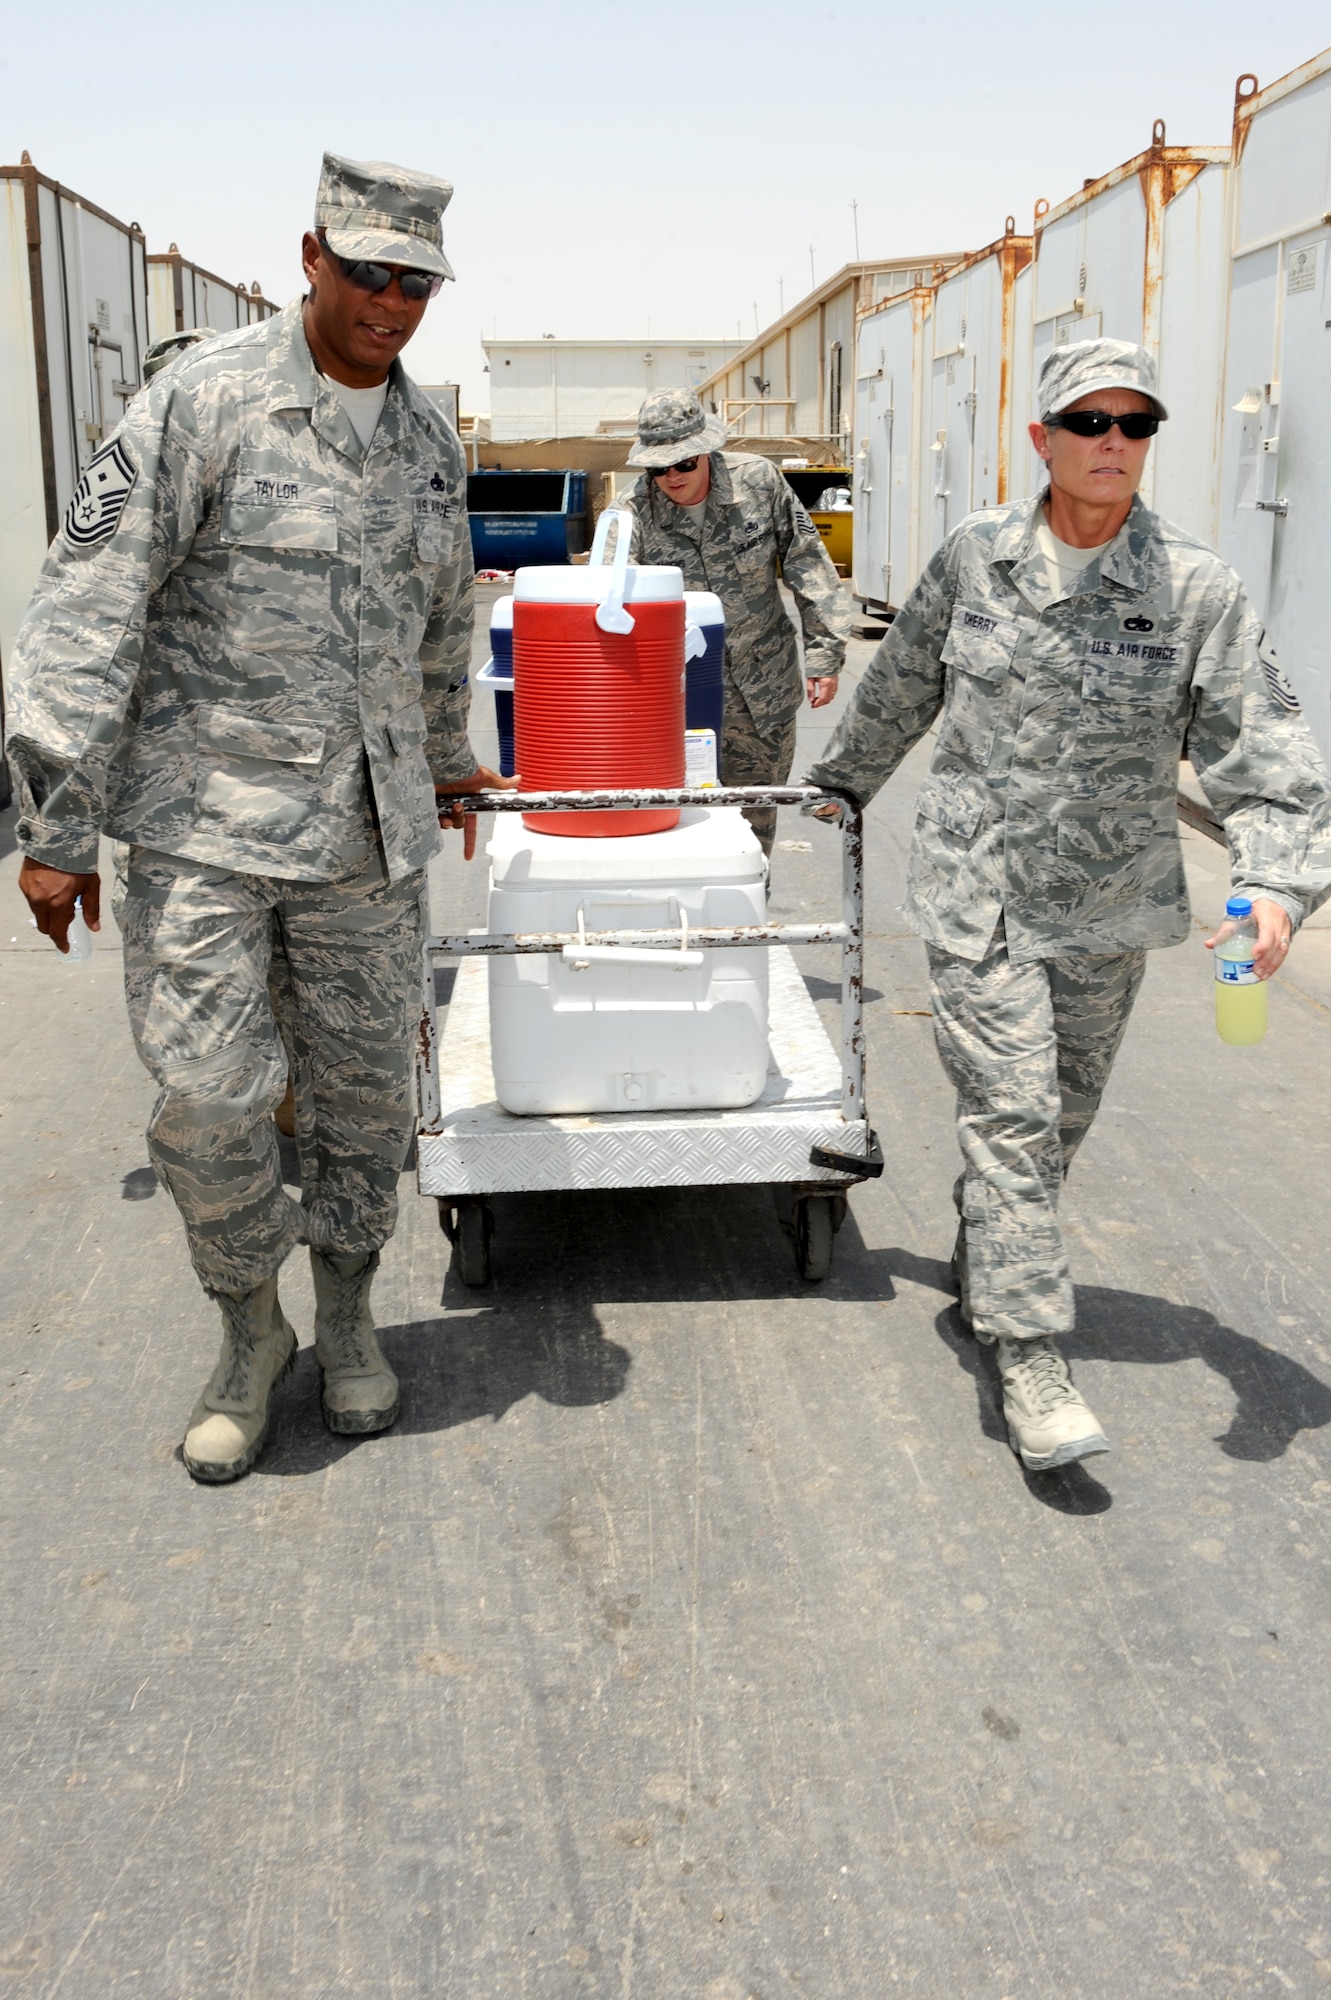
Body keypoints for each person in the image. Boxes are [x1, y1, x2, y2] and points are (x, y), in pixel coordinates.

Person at [8, 151, 513, 1484]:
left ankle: (345, 1316)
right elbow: (84, 612)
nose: (388, 304)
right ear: (311, 258)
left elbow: (439, 624)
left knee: (359, 1108)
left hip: (364, 846)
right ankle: (247, 1333)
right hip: (204, 832)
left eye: (414, 283)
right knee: (210, 1099)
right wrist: (55, 824)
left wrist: (452, 764)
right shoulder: (201, 403)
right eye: (366, 274)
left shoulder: (424, 439)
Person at [805, 337, 1331, 1476]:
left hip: (1104, 908)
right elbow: (901, 680)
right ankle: (1028, 1348)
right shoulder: (976, 555)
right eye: (1086, 422)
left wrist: (1274, 882)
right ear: (1040, 439)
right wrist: (840, 781)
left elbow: (1266, 755)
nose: (1110, 444)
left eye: (1133, 425)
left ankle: (988, 1259)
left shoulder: (1194, 587)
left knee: (1057, 1125)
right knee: (1013, 1113)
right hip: (976, 892)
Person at [612, 388, 849, 854]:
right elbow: (604, 605)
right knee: (677, 831)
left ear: (706, 450)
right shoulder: (630, 514)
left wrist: (824, 652)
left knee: (753, 832)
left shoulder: (758, 482)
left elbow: (807, 563)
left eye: (683, 463)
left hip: (762, 695)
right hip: (677, 703)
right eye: (658, 467)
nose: (671, 477)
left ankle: (747, 923)